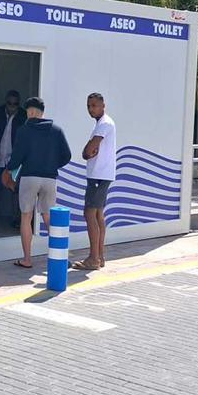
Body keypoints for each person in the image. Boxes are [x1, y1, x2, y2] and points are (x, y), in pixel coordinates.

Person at [2, 97, 71, 269]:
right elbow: (67, 155)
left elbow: (17, 157)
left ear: (31, 112)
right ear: (42, 112)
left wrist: (8, 169)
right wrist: (52, 164)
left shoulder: (25, 130)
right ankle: (61, 256)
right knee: (48, 217)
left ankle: (27, 259)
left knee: (26, 217)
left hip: (29, 177)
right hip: (50, 179)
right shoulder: (57, 130)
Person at [73, 93, 116, 271]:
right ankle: (100, 256)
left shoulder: (104, 124)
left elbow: (90, 148)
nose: (91, 109)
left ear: (103, 105)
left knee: (89, 214)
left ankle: (93, 258)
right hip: (100, 175)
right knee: (98, 215)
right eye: (89, 106)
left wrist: (85, 153)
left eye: (94, 106)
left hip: (99, 175)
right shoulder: (103, 123)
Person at [0, 90, 27, 229]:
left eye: (15, 103)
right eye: (10, 103)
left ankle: (16, 219)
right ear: (5, 102)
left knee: (15, 190)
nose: (12, 106)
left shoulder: (23, 116)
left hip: (14, 160)